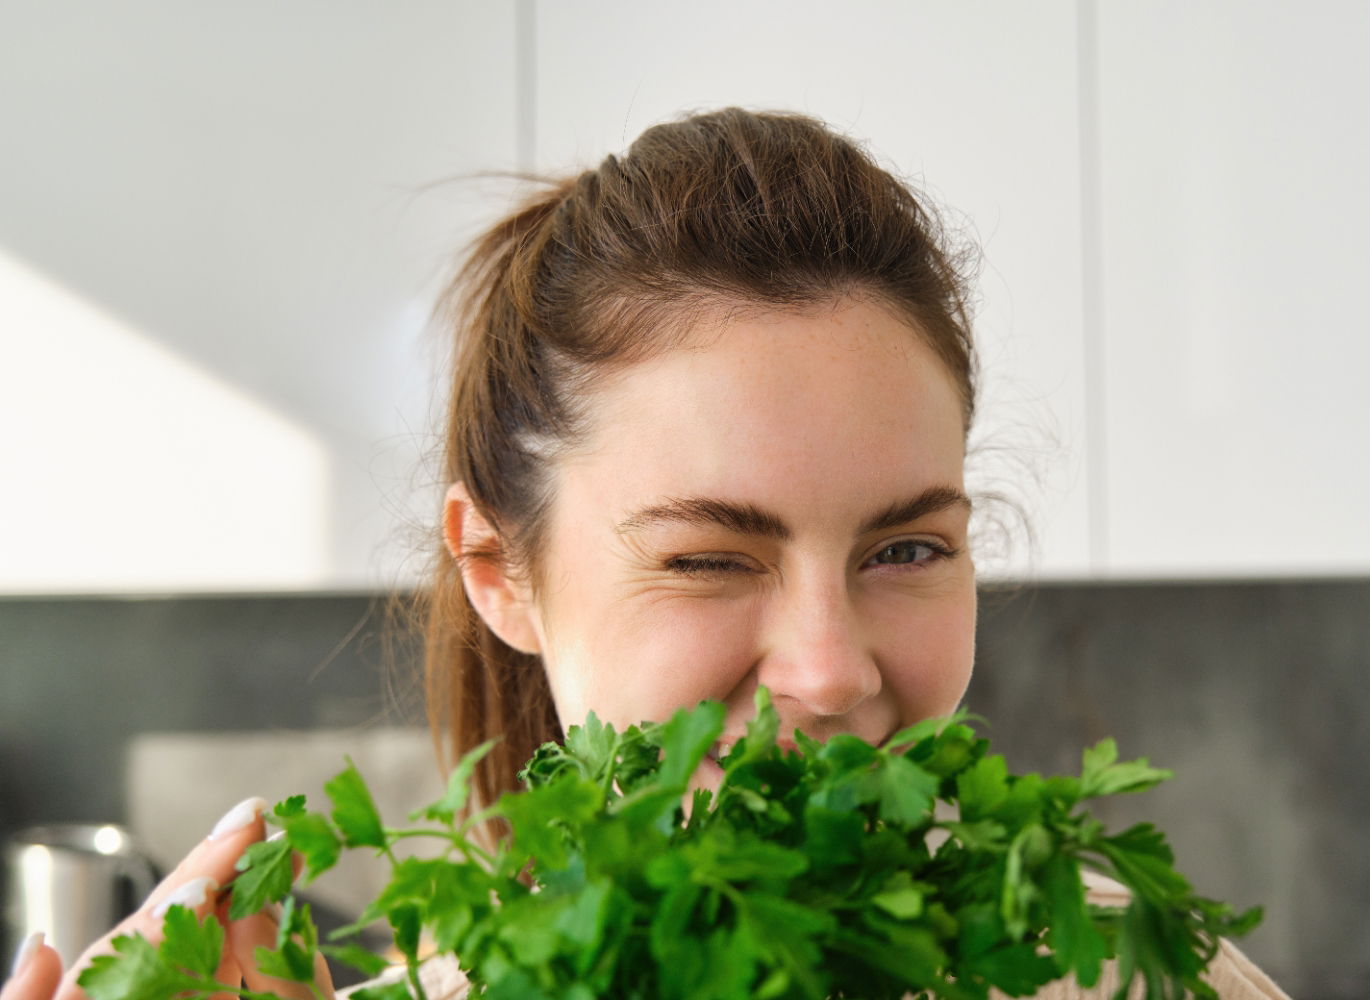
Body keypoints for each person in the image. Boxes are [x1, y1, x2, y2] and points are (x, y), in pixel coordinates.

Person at [1, 108, 1288, 1000]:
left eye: (903, 547)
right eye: (711, 560)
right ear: (503, 574)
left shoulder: (1135, 971)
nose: (832, 672)